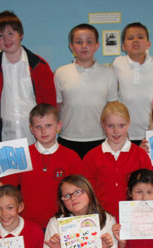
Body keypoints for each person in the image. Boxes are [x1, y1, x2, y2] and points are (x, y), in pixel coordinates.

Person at [0, 103, 82, 228]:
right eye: (38, 127)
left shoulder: (72, 157)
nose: (43, 131)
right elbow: (6, 190)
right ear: (31, 129)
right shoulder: (22, 155)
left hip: (63, 223)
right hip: (29, 225)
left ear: (59, 126)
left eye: (48, 125)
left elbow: (80, 195)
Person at [0, 10, 56, 144]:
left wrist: (48, 137)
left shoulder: (40, 67)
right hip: (5, 138)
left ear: (20, 34)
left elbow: (49, 105)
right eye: (0, 35)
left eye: (11, 33)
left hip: (36, 138)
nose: (6, 39)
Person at [54, 23, 118, 158]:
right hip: (68, 138)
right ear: (71, 46)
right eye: (79, 42)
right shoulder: (61, 73)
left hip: (100, 138)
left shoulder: (109, 73)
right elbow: (57, 108)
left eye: (89, 42)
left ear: (96, 46)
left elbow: (113, 108)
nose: (84, 46)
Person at [83, 101, 153, 219]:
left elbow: (149, 189)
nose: (116, 131)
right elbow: (87, 192)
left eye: (121, 125)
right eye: (111, 126)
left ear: (129, 124)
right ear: (103, 125)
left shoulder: (140, 155)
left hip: (134, 218)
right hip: (101, 218)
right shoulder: (91, 157)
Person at [111, 22, 153, 142]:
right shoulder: (118, 63)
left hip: (151, 130)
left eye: (140, 37)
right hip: (125, 131)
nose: (135, 40)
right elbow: (110, 86)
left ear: (148, 44)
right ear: (124, 46)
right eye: (130, 38)